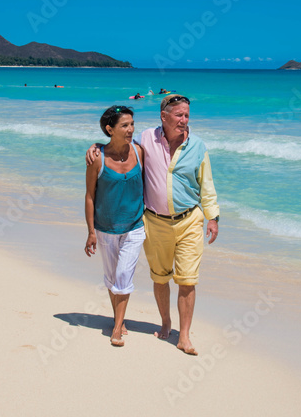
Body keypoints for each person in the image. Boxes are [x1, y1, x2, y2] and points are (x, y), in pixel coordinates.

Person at [87, 94, 219, 355]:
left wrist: (212, 217)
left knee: (187, 279)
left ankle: (184, 336)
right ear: (164, 116)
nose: (184, 120)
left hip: (190, 219)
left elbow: (207, 184)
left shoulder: (198, 146)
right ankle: (166, 321)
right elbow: (119, 144)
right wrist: (96, 146)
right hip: (155, 222)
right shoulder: (146, 138)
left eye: (187, 115)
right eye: (179, 115)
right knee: (160, 278)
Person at [84, 106, 146, 347]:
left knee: (122, 276)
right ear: (110, 129)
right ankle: (118, 317)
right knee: (112, 279)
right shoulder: (96, 158)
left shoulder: (139, 152)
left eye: (132, 124)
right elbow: (90, 196)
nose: (130, 129)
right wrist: (90, 231)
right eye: (124, 125)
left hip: (134, 226)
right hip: (105, 227)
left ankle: (117, 328)